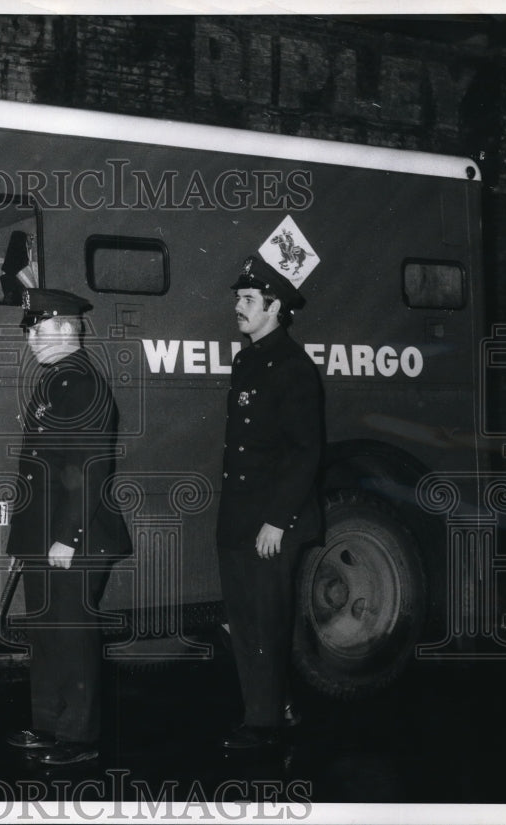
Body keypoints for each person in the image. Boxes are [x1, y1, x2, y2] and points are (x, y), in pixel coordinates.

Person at [5, 287, 132, 766]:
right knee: (47, 631)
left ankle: (78, 738)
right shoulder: (56, 381)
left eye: (36, 330)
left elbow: (91, 468)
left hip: (77, 536)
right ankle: (49, 725)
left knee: (72, 635)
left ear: (63, 328)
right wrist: (26, 540)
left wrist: (68, 538)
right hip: (46, 536)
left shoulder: (82, 384)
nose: (30, 340)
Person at [216, 255, 324, 749]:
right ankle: (274, 704)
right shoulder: (247, 359)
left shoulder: (293, 366)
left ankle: (263, 726)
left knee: (264, 619)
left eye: (248, 300)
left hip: (271, 521)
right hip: (242, 514)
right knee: (246, 619)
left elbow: (305, 452)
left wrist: (277, 521)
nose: (238, 307)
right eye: (238, 298)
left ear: (275, 307)